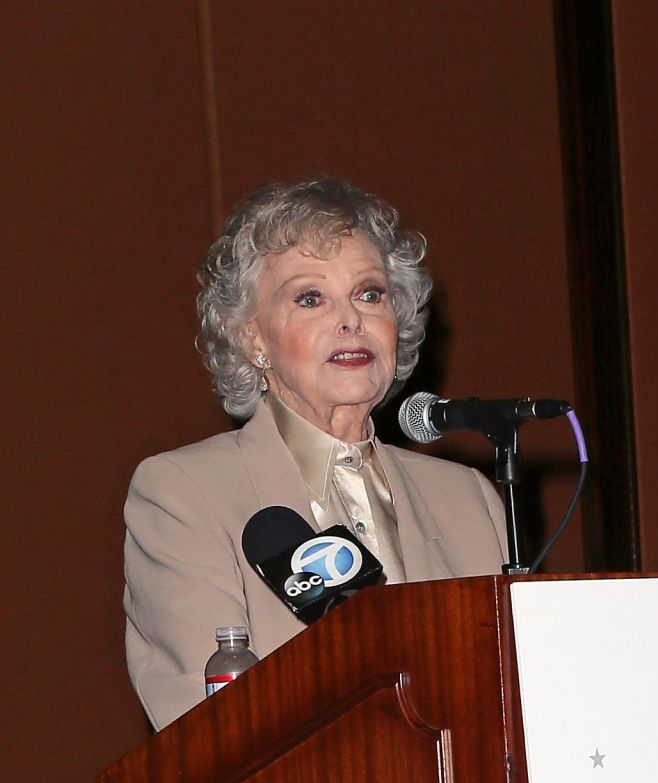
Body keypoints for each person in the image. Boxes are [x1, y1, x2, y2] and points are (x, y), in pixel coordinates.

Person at [124, 177, 508, 729]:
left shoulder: (468, 498)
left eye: (369, 294)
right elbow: (203, 731)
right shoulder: (184, 494)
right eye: (311, 298)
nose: (350, 319)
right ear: (251, 336)